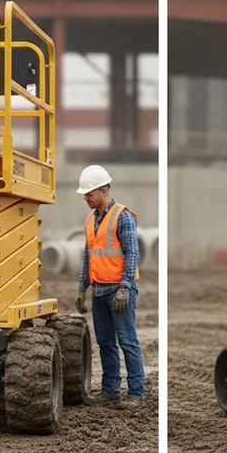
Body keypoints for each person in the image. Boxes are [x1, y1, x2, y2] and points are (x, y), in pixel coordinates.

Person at [74, 164, 145, 408]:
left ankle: (136, 393)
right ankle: (110, 391)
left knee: (127, 341)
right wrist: (82, 288)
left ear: (103, 191)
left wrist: (125, 286)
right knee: (105, 343)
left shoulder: (122, 216)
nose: (86, 198)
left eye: (89, 193)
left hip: (119, 290)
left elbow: (132, 253)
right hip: (99, 291)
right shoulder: (89, 220)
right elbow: (88, 255)